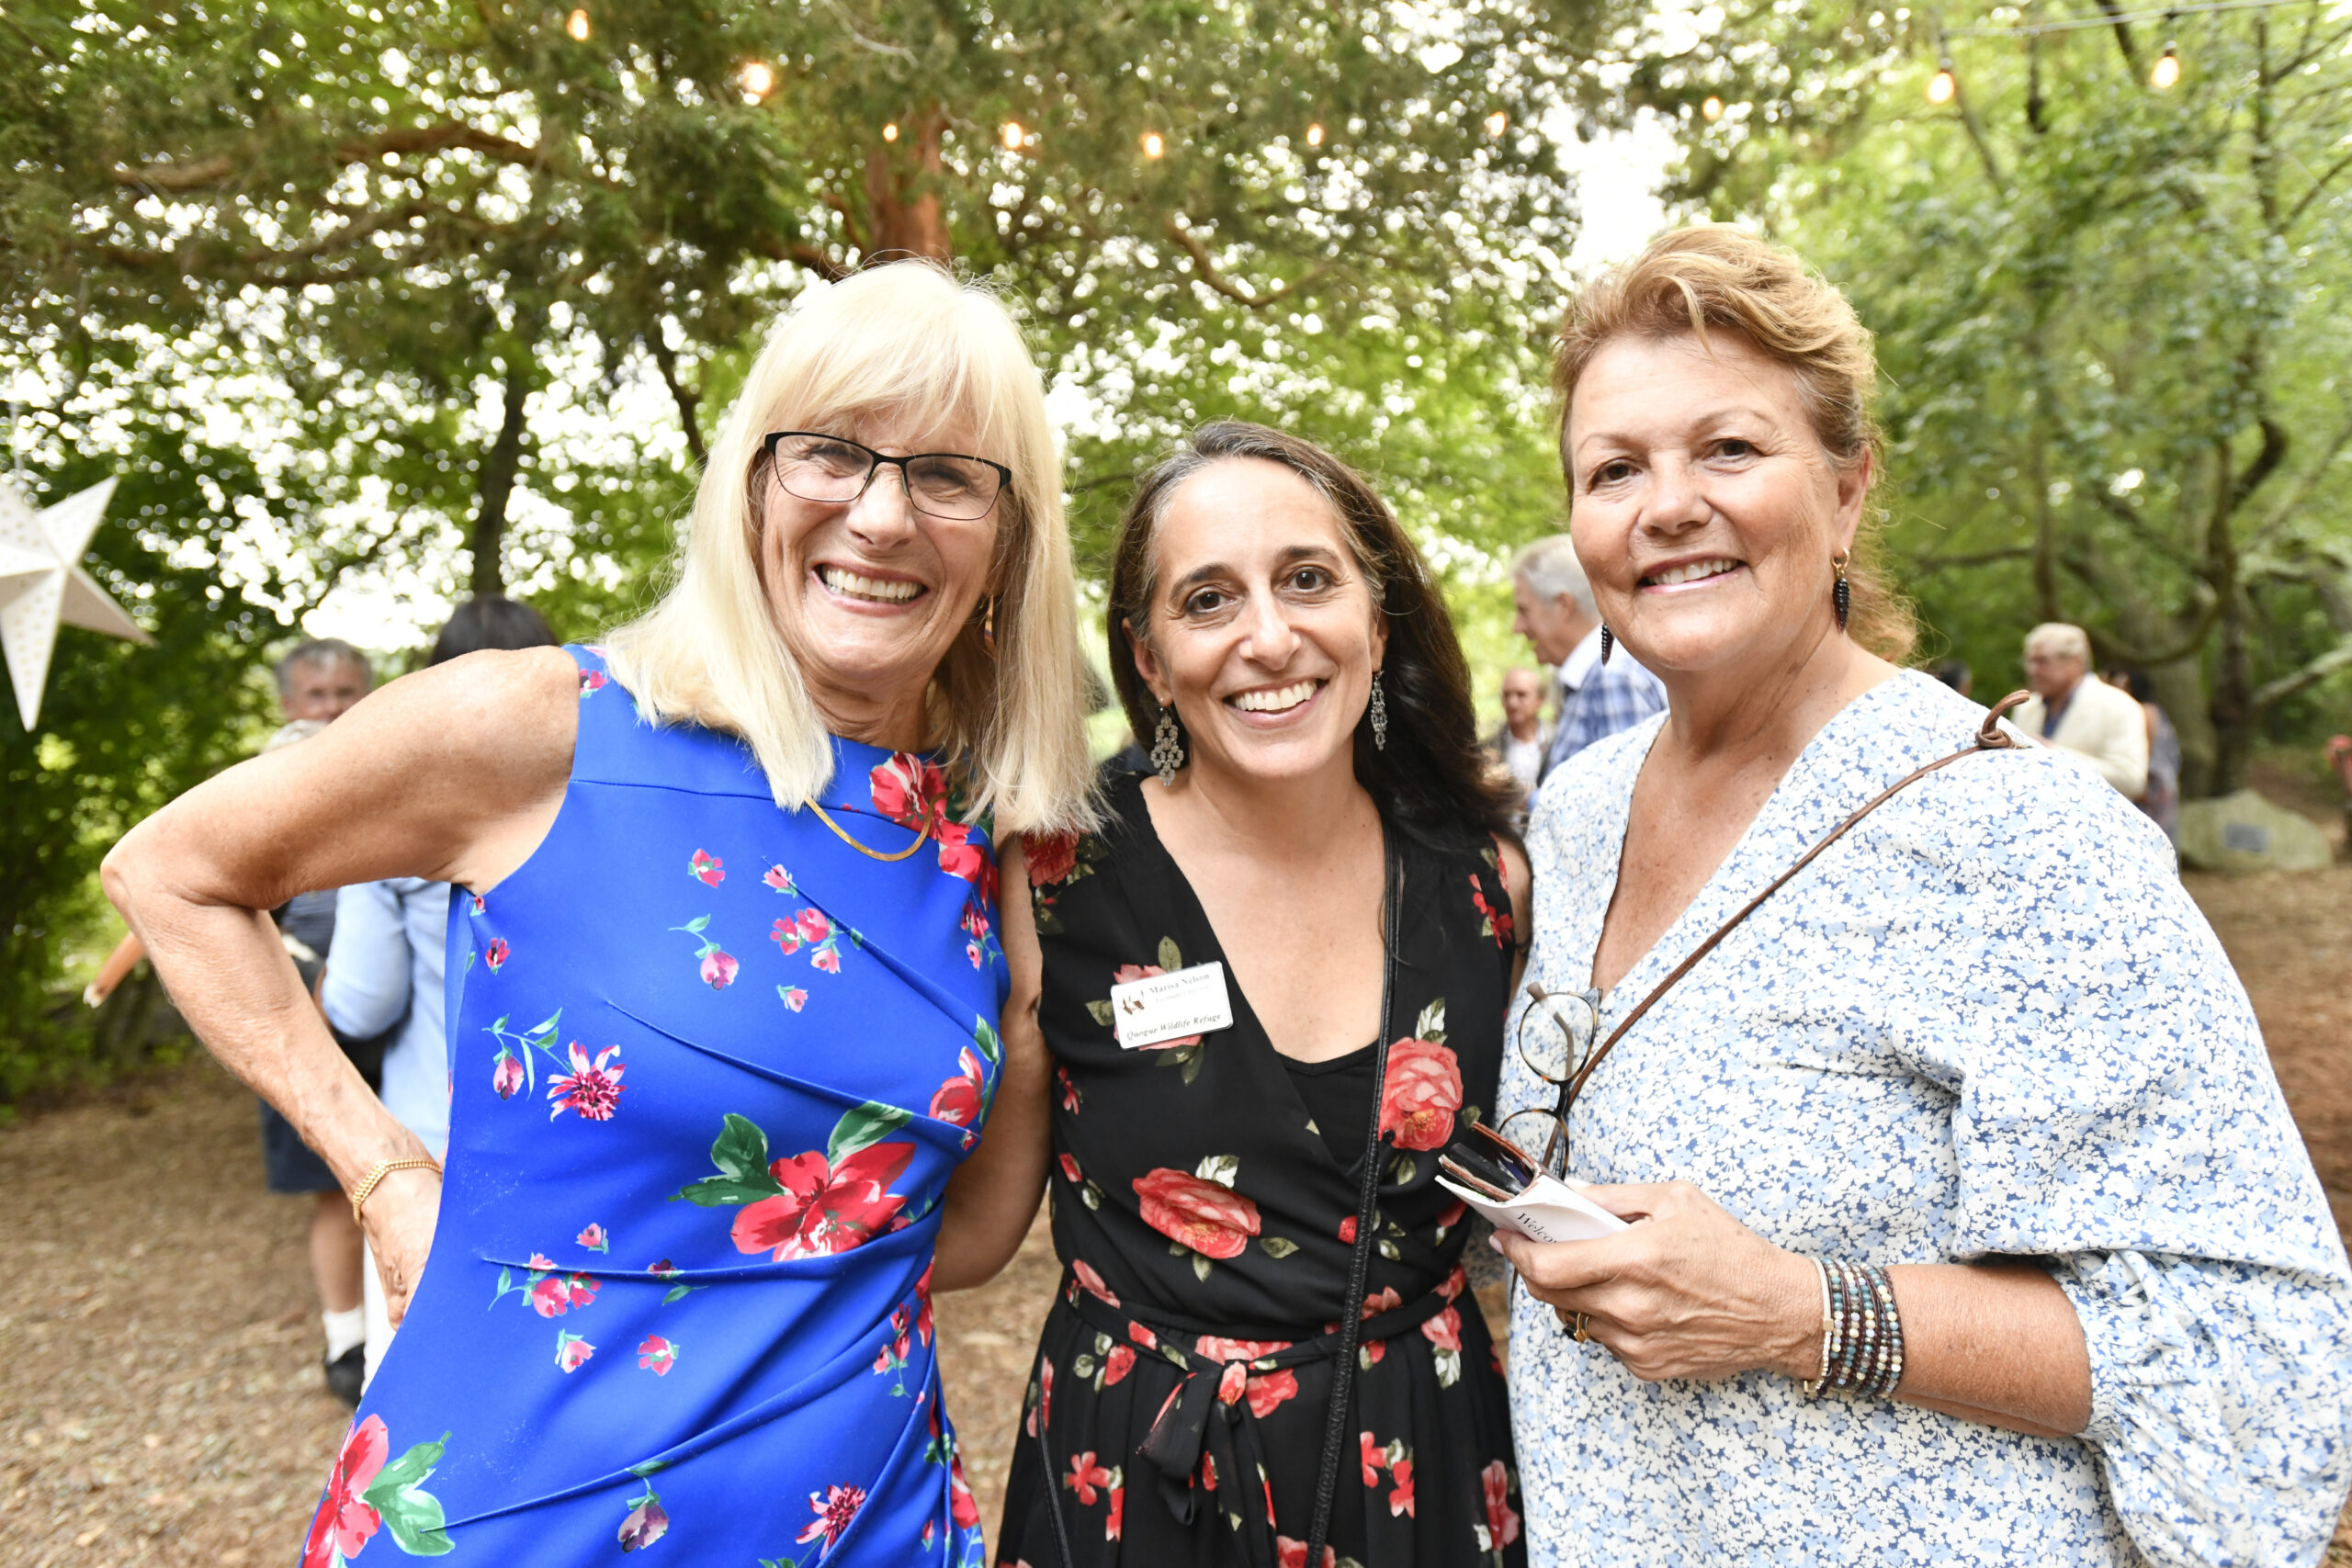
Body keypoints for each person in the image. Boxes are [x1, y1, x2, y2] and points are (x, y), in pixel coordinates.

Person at [100, 261, 1096, 1564]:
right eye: (834, 453)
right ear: (753, 479)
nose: (883, 513)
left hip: (869, 1523)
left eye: (948, 475)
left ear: (1009, 539)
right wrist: (385, 1171)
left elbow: (948, 1243)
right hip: (525, 1511)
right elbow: (171, 870)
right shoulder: (544, 726)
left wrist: (1022, 1020)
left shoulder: (978, 829)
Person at [1491, 225, 2352, 1566]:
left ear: (1846, 490)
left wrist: (1795, 1309)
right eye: (1614, 469)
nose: (1665, 503)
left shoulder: (2022, 833)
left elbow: (2255, 1347)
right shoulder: (1583, 806)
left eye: (1727, 448)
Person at [988, 422, 1534, 1568]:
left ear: (1375, 626)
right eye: (1207, 601)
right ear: (1148, 661)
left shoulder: (1486, 884)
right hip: (1137, 1479)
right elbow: (981, 1228)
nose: (1268, 638)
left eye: (1305, 580)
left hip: (1415, 1458)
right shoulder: (1053, 875)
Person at [321, 596, 560, 1389]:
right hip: (581, 1136)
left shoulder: (390, 818)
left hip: (429, 1145)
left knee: (426, 1399)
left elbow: (362, 1003)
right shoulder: (604, 809)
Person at [1508, 534, 1665, 792]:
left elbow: (1628, 805)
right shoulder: (1593, 677)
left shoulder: (1612, 678)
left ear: (1563, 606)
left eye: (1524, 610)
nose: (1518, 627)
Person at [2011, 624, 2148, 796]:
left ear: (2076, 662)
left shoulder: (2118, 706)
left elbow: (2130, 780)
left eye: (2042, 661)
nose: (2032, 670)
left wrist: (2051, 754)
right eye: (2030, 661)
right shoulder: (2026, 707)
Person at [2106, 669, 2181, 844]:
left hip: (2154, 782)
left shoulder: (2146, 711)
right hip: (2152, 781)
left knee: (2155, 834)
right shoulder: (2139, 710)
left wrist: (2140, 781)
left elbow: (2147, 747)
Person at [1486, 666, 1552, 796]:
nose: (1512, 703)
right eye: (1506, 695)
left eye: (1521, 695)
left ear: (1540, 700)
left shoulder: (1556, 742)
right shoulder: (1489, 748)